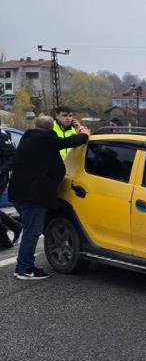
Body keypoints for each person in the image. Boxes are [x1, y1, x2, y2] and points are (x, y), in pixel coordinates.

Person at [9, 115, 89, 279]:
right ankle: (24, 268)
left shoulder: (28, 137)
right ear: (51, 129)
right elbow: (68, 142)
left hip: (19, 192)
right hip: (34, 195)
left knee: (29, 229)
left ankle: (23, 265)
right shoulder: (46, 139)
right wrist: (84, 134)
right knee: (32, 231)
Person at [0, 128, 22, 248]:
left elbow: (13, 157)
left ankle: (4, 240)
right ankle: (14, 226)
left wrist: (1, 170)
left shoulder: (2, 137)